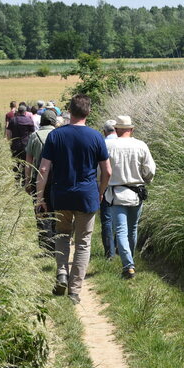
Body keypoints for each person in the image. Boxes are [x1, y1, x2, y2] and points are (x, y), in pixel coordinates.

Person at [35, 94, 111, 302]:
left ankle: (61, 273)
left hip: (61, 194)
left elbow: (43, 168)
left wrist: (40, 197)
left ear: (69, 110)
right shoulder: (96, 137)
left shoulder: (56, 136)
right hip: (87, 195)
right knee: (83, 242)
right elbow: (107, 171)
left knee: (61, 235)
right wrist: (101, 191)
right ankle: (75, 289)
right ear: (88, 112)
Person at [104, 115, 155, 279]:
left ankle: (128, 265)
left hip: (116, 193)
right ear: (131, 129)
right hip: (136, 193)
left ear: (116, 130)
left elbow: (101, 170)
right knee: (132, 229)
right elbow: (150, 170)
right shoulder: (141, 145)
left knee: (120, 230)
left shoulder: (107, 145)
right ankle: (129, 263)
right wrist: (145, 180)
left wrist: (101, 185)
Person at [25, 108, 60, 248]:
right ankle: (57, 241)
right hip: (56, 178)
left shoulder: (34, 136)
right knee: (56, 209)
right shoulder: (59, 135)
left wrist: (27, 181)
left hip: (38, 177)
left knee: (41, 209)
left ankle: (45, 244)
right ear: (54, 121)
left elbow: (28, 162)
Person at [99, 120, 118, 260]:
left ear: (104, 131)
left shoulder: (101, 144)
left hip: (105, 185)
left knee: (107, 219)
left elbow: (97, 169)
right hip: (124, 186)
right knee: (121, 219)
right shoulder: (126, 143)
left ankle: (109, 254)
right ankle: (120, 249)